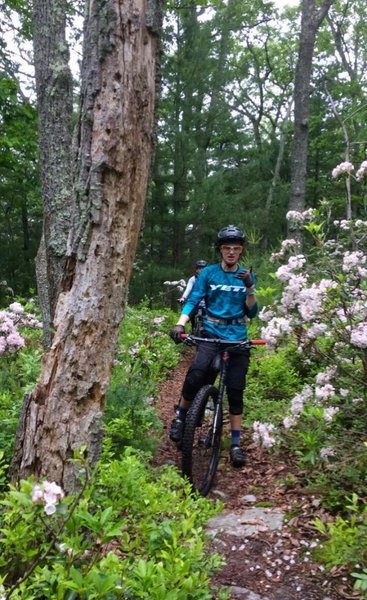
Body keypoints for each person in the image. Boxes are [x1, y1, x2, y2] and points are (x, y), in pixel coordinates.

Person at [169, 225, 258, 467]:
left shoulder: (246, 275)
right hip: (211, 333)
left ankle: (236, 444)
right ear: (221, 250)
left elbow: (253, 312)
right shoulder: (208, 273)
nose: (231, 252)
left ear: (241, 251)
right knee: (196, 375)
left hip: (237, 337)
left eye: (236, 249)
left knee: (236, 390)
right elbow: (194, 299)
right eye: (227, 248)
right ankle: (180, 417)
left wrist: (250, 287)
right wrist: (180, 324)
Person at [178, 260, 208, 331]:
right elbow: (188, 289)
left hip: (206, 303)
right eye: (199, 268)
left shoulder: (210, 279)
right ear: (196, 270)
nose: (201, 270)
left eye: (203, 268)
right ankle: (193, 328)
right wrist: (183, 297)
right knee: (191, 313)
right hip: (195, 302)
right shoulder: (193, 279)